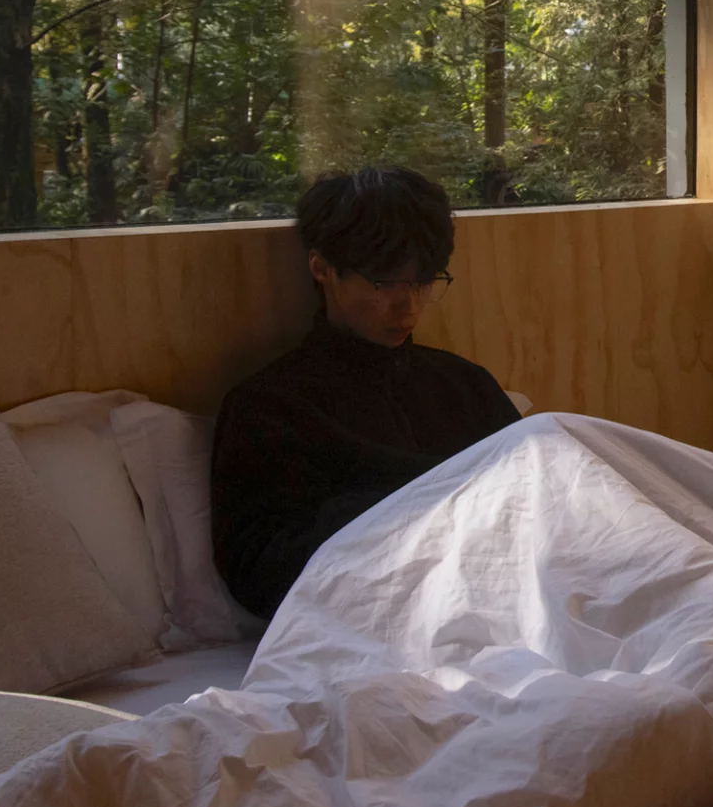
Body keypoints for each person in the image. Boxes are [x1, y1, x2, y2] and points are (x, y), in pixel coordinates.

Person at [210, 166, 522, 618]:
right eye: (385, 283)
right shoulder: (269, 408)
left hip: (508, 593)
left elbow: (534, 499)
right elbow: (255, 570)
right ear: (322, 268)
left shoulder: (465, 385)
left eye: (423, 281)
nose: (408, 305)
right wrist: (408, 514)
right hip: (373, 614)